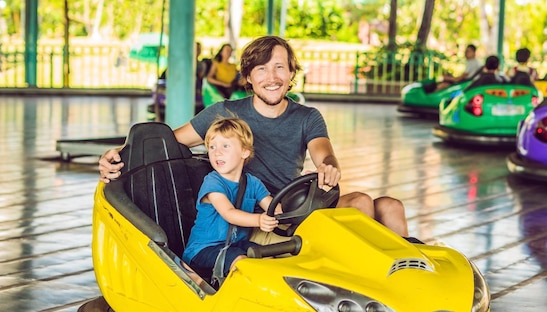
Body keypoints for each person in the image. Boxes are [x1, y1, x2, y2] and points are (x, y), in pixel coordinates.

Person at [99, 35, 414, 242]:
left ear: (291, 73)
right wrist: (119, 155)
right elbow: (168, 141)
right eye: (261, 69)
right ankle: (369, 291)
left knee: (390, 207)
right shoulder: (225, 112)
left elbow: (323, 153)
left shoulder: (307, 117)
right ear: (248, 77)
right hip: (262, 218)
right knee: (360, 202)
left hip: (296, 205)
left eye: (280, 67)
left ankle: (408, 285)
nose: (272, 77)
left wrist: (329, 166)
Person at [182, 117, 277, 280]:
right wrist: (259, 220)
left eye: (225, 146)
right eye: (212, 147)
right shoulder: (212, 181)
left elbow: (275, 209)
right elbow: (229, 213)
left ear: (244, 152)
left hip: (234, 245)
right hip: (202, 250)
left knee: (269, 259)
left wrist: (296, 208)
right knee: (242, 263)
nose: (217, 152)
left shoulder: (253, 183)